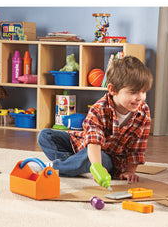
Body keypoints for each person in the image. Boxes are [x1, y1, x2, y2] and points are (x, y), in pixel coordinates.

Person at [37, 55, 153, 183]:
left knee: (97, 157)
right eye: (133, 92)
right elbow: (93, 142)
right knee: (45, 135)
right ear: (113, 90)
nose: (140, 97)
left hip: (108, 160)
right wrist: (96, 167)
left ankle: (58, 167)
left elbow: (137, 147)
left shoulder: (143, 112)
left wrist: (130, 171)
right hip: (88, 147)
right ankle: (77, 164)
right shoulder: (98, 109)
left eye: (144, 91)